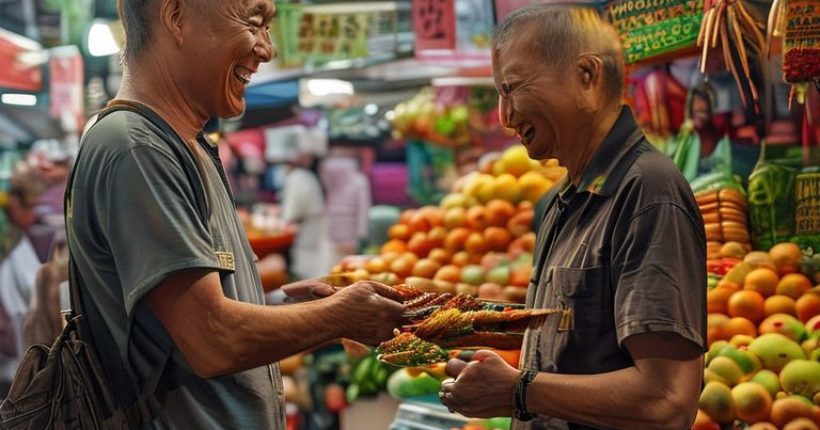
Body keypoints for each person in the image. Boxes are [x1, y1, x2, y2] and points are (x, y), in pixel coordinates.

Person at [66, 0, 404, 428]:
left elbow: (190, 320)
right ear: (176, 16)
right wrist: (338, 317)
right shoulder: (137, 147)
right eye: (253, 23)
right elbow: (211, 340)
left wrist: (297, 311)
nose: (266, 49)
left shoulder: (183, 143)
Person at [438, 6, 706, 430]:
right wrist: (418, 321)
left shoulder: (646, 191)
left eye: (513, 89)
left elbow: (666, 400)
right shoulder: (564, 199)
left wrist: (519, 390)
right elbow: (577, 332)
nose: (505, 118)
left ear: (586, 76)